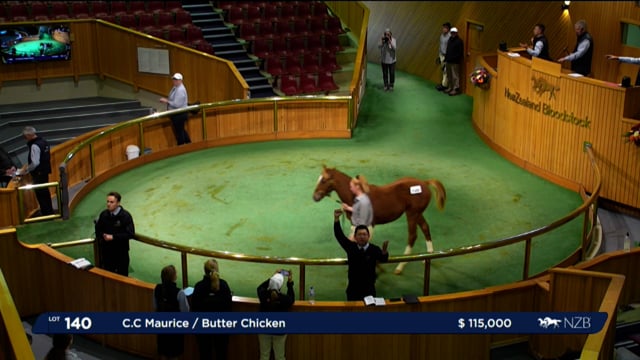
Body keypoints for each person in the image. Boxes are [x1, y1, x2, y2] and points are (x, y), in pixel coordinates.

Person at [333, 209, 389, 301]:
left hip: (369, 290)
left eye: (364, 234)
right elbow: (339, 235)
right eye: (359, 234)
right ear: (355, 237)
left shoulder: (374, 249)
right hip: (353, 290)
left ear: (368, 236)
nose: (362, 237)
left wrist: (384, 253)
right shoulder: (350, 247)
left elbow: (383, 259)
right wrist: (336, 219)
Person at [191, 258, 233, 360]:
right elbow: (228, 307)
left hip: (203, 327)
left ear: (205, 271)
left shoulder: (199, 287)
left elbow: (194, 308)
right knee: (221, 354)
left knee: (204, 354)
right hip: (221, 327)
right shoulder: (224, 285)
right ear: (217, 270)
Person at [94, 191, 135, 276]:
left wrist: (113, 237)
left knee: (122, 277)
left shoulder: (125, 216)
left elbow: (130, 234)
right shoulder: (104, 215)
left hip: (121, 253)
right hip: (107, 253)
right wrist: (103, 236)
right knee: (109, 276)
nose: (108, 204)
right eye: (108, 201)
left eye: (112, 202)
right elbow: (98, 230)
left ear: (118, 203)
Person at [256, 270, 295, 360]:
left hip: (263, 328)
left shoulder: (263, 295)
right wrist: (289, 283)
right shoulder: (285, 299)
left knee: (264, 355)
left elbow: (260, 287)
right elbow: (291, 298)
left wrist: (272, 278)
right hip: (279, 330)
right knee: (280, 356)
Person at [154, 265, 189, 360]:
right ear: (174, 277)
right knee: (174, 354)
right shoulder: (179, 293)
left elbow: (155, 307)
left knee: (163, 352)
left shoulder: (157, 288)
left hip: (161, 325)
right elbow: (185, 311)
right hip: (175, 328)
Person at [21, 126, 54, 215]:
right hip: (45, 171)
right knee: (45, 193)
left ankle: (46, 213)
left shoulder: (35, 145)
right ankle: (49, 211)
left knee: (41, 194)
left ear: (28, 135)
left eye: (25, 136)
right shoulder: (44, 142)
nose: (25, 138)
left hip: (38, 173)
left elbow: (35, 163)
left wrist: (26, 170)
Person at [160, 72, 191, 145]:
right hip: (177, 114)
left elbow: (177, 104)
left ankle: (181, 147)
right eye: (174, 79)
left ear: (181, 80)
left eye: (176, 80)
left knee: (179, 132)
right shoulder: (175, 87)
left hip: (179, 114)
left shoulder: (180, 90)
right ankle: (189, 144)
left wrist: (166, 101)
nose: (175, 81)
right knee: (181, 130)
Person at [340, 175, 374, 240]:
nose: (350, 189)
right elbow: (358, 211)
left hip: (362, 232)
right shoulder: (360, 199)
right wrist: (347, 208)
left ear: (357, 187)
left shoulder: (363, 201)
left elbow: (363, 221)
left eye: (351, 187)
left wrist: (354, 236)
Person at [444, 27, 464, 96]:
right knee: (449, 75)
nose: (452, 33)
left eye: (454, 32)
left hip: (455, 62)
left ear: (456, 33)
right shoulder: (450, 39)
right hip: (448, 61)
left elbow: (460, 53)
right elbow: (448, 49)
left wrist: (454, 58)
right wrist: (446, 58)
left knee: (455, 76)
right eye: (452, 32)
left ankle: (455, 89)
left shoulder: (459, 41)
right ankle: (450, 87)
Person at [436, 22, 452, 92]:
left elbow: (450, 48)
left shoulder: (450, 37)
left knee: (446, 71)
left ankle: (444, 85)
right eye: (443, 28)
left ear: (448, 28)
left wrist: (447, 57)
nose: (443, 29)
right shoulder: (442, 36)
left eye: (445, 28)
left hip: (447, 56)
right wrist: (439, 55)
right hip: (441, 54)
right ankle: (443, 83)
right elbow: (440, 45)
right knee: (443, 70)